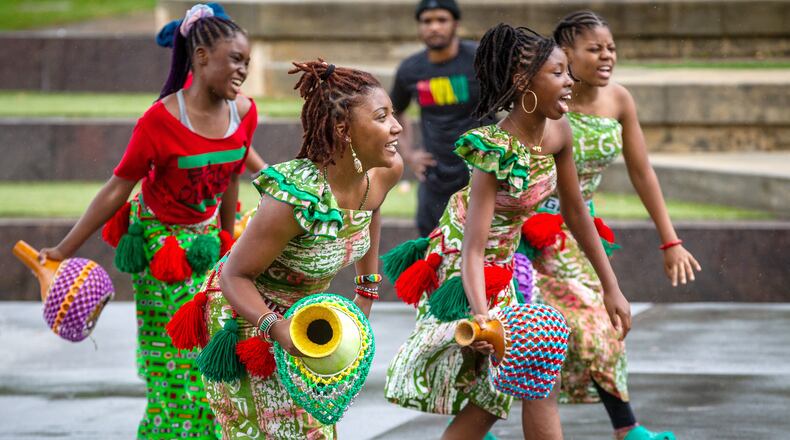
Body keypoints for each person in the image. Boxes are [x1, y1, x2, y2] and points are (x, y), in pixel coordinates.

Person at [384, 23, 632, 440]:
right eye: (558, 73)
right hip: (461, 265)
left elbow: (576, 213)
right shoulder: (493, 148)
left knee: (526, 380)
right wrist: (483, 319)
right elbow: (472, 248)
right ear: (523, 81)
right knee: (501, 390)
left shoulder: (558, 132)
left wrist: (612, 288)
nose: (570, 82)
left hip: (501, 263)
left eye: (569, 72)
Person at [38, 5, 256, 438]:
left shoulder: (245, 112)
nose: (243, 70)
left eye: (247, 62)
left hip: (208, 238)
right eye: (235, 59)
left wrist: (228, 239)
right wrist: (64, 249)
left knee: (213, 352)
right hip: (162, 248)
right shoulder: (159, 121)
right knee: (178, 361)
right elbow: (117, 188)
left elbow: (231, 175)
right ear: (201, 57)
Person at [181, 60, 403, 438]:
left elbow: (371, 209)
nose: (396, 126)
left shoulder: (386, 170)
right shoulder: (295, 199)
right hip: (246, 315)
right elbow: (235, 274)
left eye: (393, 114)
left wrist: (366, 290)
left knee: (315, 430)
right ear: (342, 129)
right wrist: (276, 328)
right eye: (382, 117)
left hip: (304, 315)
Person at [521, 10, 702, 440]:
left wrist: (670, 240)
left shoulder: (619, 100)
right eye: (595, 49)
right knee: (530, 330)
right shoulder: (542, 102)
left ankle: (626, 428)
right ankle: (478, 423)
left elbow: (643, 173)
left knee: (600, 322)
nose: (607, 57)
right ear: (565, 53)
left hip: (580, 232)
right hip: (530, 234)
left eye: (611, 48)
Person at [391, 0, 495, 236]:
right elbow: (394, 110)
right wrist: (408, 154)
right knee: (432, 250)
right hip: (436, 176)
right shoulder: (410, 69)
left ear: (455, 23)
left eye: (441, 20)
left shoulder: (481, 58)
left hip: (484, 171)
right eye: (427, 21)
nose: (434, 27)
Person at [156, 2, 267, 173]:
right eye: (234, 56)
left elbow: (235, 142)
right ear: (202, 53)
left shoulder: (229, 94)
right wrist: (265, 173)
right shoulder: (193, 94)